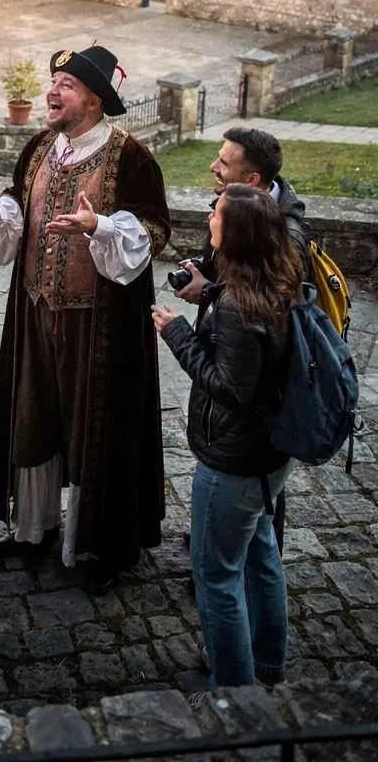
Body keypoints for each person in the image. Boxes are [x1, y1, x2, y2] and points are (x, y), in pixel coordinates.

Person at [0, 44, 171, 590]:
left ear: (95, 100)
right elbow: (16, 204)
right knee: (34, 419)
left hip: (98, 325)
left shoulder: (132, 158)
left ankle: (96, 544)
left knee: (91, 432)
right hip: (35, 310)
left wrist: (99, 225)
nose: (51, 92)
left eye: (66, 85)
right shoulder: (38, 146)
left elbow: (152, 231)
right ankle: (34, 528)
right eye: (52, 82)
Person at [152, 184, 304, 693]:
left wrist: (178, 333)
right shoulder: (276, 280)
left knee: (216, 577)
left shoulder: (239, 306)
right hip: (269, 457)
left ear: (235, 232)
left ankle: (233, 694)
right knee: (261, 555)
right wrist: (209, 293)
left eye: (216, 213)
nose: (210, 218)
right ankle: (267, 664)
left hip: (234, 461)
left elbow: (229, 389)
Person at [173, 126, 308, 554]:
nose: (213, 166)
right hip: (240, 366)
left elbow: (259, 310)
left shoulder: (286, 237)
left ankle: (226, 559)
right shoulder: (245, 208)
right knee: (258, 514)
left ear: (250, 180)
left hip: (252, 425)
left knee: (259, 505)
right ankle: (235, 543)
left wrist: (206, 296)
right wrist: (206, 273)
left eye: (224, 162)